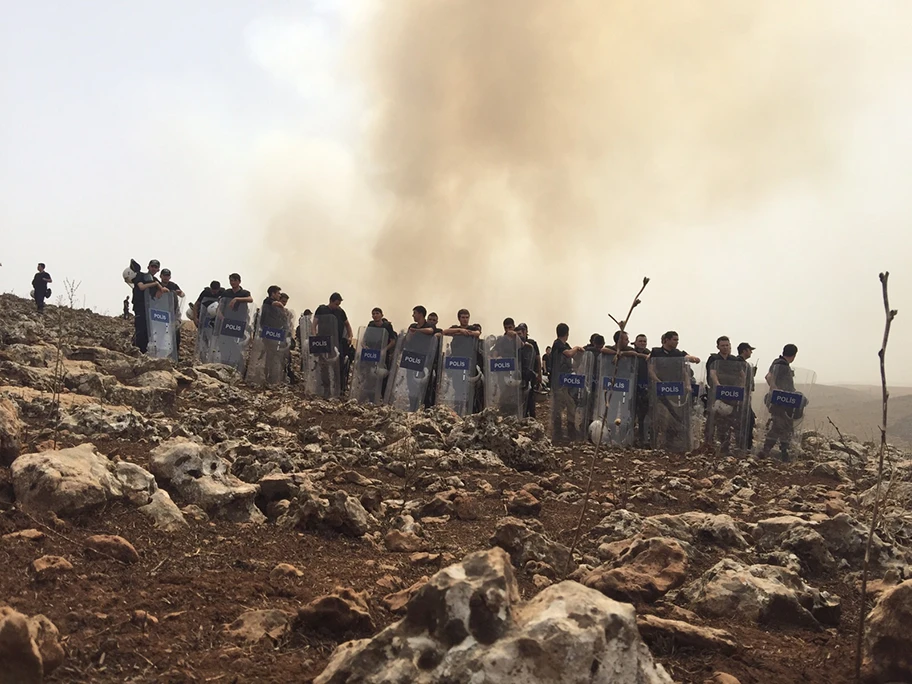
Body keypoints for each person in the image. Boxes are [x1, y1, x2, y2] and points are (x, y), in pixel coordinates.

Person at [705, 336, 746, 454]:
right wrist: (718, 386)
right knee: (712, 419)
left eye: (727, 345)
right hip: (717, 394)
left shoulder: (734, 360)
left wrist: (741, 388)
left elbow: (742, 375)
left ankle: (725, 446)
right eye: (723, 345)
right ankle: (708, 444)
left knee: (727, 421)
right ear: (718, 346)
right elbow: (713, 374)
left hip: (732, 394)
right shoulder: (713, 358)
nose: (725, 347)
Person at [760, 344, 801, 461]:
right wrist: (777, 391)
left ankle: (783, 452)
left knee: (786, 426)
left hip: (785, 401)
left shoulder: (778, 363)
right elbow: (768, 377)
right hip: (781, 402)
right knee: (779, 426)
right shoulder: (781, 365)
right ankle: (766, 451)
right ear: (794, 355)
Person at [442, 309, 482, 415]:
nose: (465, 319)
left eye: (467, 317)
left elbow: (477, 333)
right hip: (456, 362)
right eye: (463, 317)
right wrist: (459, 331)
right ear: (459, 318)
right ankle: (458, 412)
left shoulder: (472, 328)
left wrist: (467, 332)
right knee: (458, 388)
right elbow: (444, 332)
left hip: (469, 362)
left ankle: (469, 413)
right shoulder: (455, 328)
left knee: (468, 389)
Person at [550, 323, 585, 442]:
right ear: (567, 333)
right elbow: (569, 353)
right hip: (558, 382)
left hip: (566, 382)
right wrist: (576, 348)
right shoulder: (558, 344)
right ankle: (557, 435)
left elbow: (574, 358)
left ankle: (571, 433)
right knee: (558, 408)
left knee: (571, 405)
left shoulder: (565, 345)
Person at [315, 293, 354, 391]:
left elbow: (347, 325)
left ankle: (339, 388)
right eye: (336, 304)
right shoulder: (322, 309)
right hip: (323, 340)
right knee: (323, 364)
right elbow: (314, 323)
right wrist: (314, 335)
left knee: (338, 364)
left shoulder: (340, 312)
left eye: (339, 304)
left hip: (337, 341)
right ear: (331, 301)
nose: (338, 306)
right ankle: (326, 388)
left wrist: (350, 336)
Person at [131, 259, 165, 353]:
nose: (154, 269)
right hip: (140, 307)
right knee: (140, 331)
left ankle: (142, 352)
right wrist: (155, 284)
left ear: (158, 270)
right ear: (148, 267)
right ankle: (136, 350)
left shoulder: (156, 280)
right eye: (152, 266)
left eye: (156, 267)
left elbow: (160, 292)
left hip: (150, 309)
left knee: (147, 333)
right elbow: (141, 287)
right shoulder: (141, 275)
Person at [516, 323, 541, 418]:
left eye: (520, 333)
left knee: (530, 399)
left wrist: (539, 374)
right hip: (519, 375)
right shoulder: (515, 345)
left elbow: (537, 359)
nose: (519, 336)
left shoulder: (531, 344)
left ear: (526, 332)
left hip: (531, 374)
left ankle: (532, 419)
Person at [159, 269, 185, 354]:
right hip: (161, 313)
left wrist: (179, 292)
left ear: (170, 277)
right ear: (161, 276)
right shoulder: (158, 285)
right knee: (161, 333)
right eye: (164, 275)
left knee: (175, 334)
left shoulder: (173, 285)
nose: (166, 277)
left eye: (167, 276)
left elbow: (182, 294)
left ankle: (175, 354)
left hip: (173, 313)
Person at [737, 342, 757, 450]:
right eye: (750, 350)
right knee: (747, 420)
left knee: (750, 419)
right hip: (741, 396)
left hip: (744, 395)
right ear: (744, 351)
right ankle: (745, 445)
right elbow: (742, 379)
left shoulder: (745, 364)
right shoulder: (739, 363)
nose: (751, 352)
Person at [632, 334, 651, 446]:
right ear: (636, 342)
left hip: (644, 389)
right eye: (640, 341)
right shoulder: (631, 353)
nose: (643, 343)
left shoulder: (650, 355)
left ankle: (643, 439)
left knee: (643, 417)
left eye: (644, 341)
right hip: (632, 388)